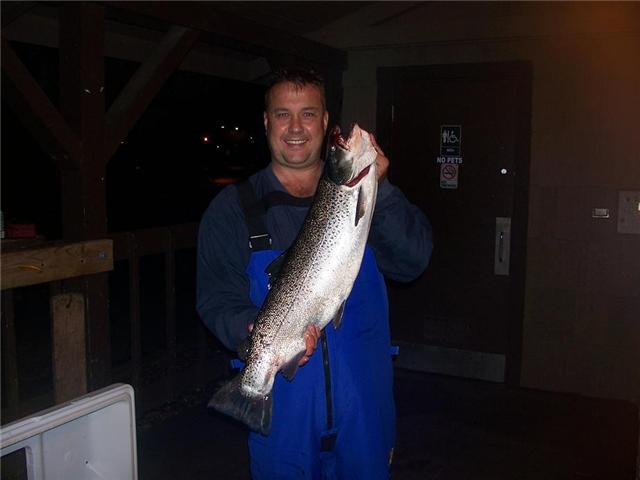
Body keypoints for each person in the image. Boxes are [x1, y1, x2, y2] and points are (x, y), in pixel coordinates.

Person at [197, 67, 433, 480]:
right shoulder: (233, 208)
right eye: (283, 114)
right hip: (284, 415)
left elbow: (413, 260)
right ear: (266, 121)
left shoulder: (367, 199)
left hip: (365, 406)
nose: (295, 128)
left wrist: (381, 189)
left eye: (307, 114)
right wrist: (254, 331)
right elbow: (216, 298)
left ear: (324, 122)